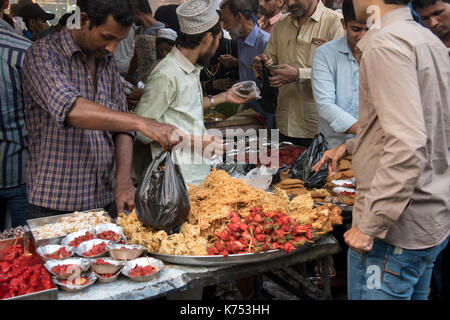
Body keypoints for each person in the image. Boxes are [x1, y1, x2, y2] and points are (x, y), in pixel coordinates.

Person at [313, 0, 450, 300]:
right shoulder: (427, 39)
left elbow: (407, 142)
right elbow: (427, 125)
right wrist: (352, 146)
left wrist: (370, 225)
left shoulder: (383, 43)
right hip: (429, 219)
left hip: (395, 230)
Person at [22, 0, 182, 220]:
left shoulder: (106, 61)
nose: (111, 48)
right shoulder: (42, 54)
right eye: (107, 37)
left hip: (104, 199)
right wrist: (141, 122)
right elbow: (71, 109)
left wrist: (123, 183)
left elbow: (122, 128)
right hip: (56, 203)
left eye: (119, 40)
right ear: (84, 19)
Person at [134, 0, 254, 187]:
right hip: (175, 182)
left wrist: (225, 97)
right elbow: (142, 130)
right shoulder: (166, 74)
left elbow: (184, 107)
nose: (217, 45)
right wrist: (196, 142)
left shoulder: (191, 67)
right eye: (218, 39)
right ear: (207, 37)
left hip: (197, 175)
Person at [254, 0, 345, 148]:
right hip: (284, 122)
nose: (290, 3)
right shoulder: (282, 23)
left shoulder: (333, 22)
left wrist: (298, 75)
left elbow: (339, 72)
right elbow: (270, 60)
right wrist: (262, 65)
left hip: (318, 128)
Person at [311, 0, 368, 148]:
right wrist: (365, 132)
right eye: (356, 29)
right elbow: (325, 104)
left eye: (368, 29)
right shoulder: (325, 54)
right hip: (332, 144)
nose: (362, 36)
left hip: (372, 145)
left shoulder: (383, 54)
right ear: (343, 24)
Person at [0, 0, 32, 231]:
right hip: (18, 169)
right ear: (5, 3)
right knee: (22, 254)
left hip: (18, 174)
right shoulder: (23, 51)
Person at [220, 0, 273, 128]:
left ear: (239, 17)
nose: (224, 27)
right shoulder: (240, 40)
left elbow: (271, 84)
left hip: (266, 115)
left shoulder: (265, 42)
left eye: (226, 21)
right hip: (249, 111)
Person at [125, 0, 165, 84]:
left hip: (158, 81)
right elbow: (136, 56)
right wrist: (129, 75)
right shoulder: (139, 31)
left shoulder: (162, 30)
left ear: (136, 11)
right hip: (141, 81)